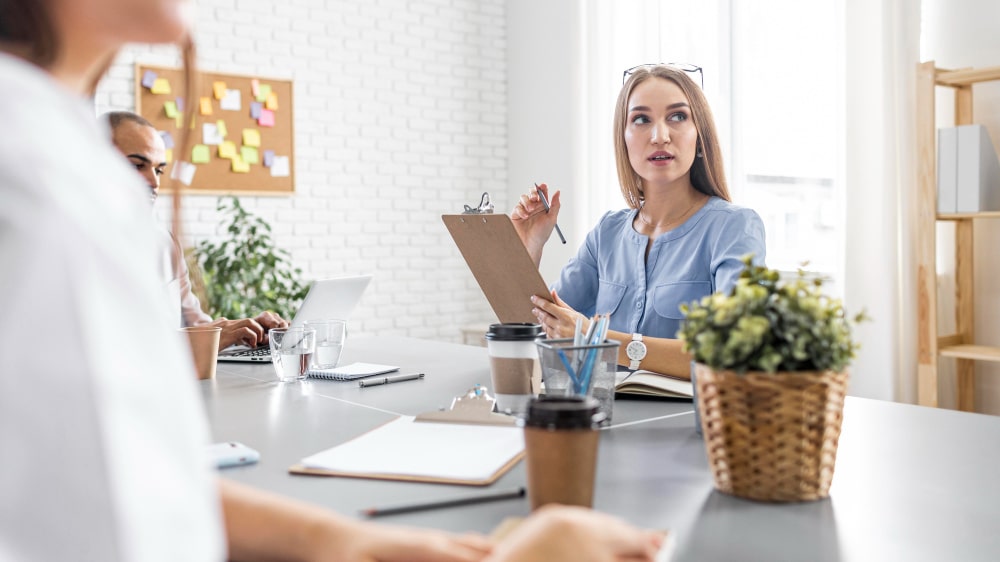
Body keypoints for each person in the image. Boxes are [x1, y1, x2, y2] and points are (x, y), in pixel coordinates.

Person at [0, 0, 663, 560]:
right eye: (640, 118)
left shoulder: (54, 157)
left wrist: (342, 541)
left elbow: (117, 481)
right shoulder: (34, 182)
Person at [512, 64, 766, 379]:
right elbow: (544, 331)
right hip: (601, 415)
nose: (660, 136)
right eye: (641, 120)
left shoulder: (734, 228)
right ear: (624, 139)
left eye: (678, 116)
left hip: (687, 424)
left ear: (700, 136)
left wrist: (595, 339)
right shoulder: (607, 233)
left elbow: (732, 353)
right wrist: (528, 249)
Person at [104, 110, 286, 350]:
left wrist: (244, 331)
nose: (154, 182)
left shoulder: (164, 243)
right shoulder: (67, 245)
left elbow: (197, 326)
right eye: (137, 165)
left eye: (159, 170)